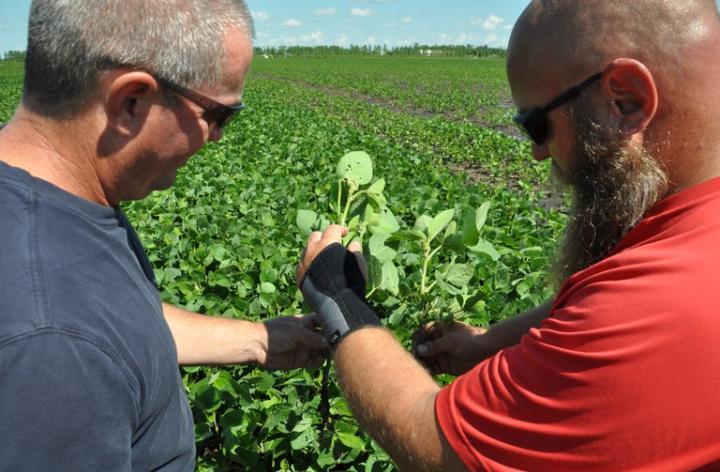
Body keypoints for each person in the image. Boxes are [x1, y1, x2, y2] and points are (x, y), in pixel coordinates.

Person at [296, 0, 720, 470]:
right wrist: (488, 343)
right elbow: (600, 294)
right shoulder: (688, 235)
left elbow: (434, 444)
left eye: (536, 125)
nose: (538, 153)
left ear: (627, 100)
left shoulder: (660, 307)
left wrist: (341, 300)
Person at [0, 0, 327, 470]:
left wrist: (257, 339)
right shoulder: (52, 349)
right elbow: (79, 335)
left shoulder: (57, 200)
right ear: (131, 101)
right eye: (218, 116)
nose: (216, 139)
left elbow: (114, 325)